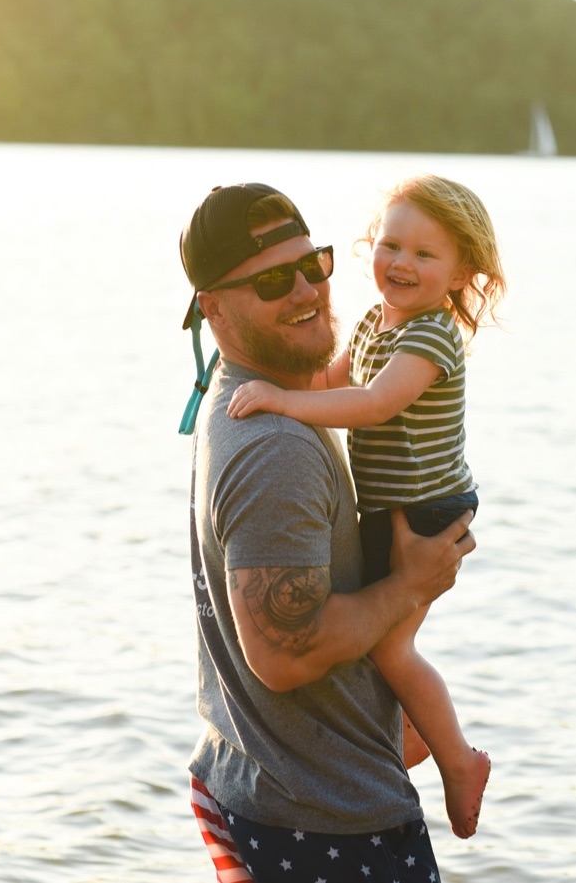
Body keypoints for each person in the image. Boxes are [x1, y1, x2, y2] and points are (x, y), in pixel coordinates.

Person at [179, 182, 477, 883]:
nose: (307, 289)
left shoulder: (252, 390)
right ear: (212, 308)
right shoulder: (276, 444)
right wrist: (412, 583)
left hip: (279, 790)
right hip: (325, 821)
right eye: (274, 280)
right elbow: (287, 653)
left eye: (312, 263)